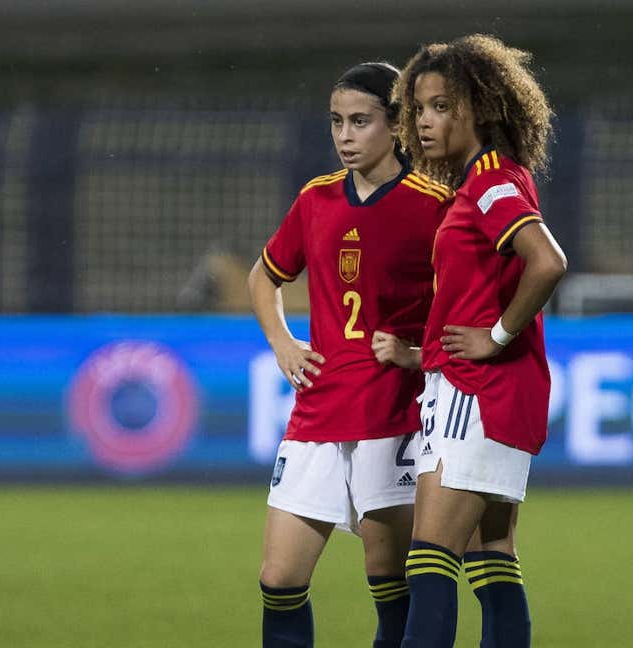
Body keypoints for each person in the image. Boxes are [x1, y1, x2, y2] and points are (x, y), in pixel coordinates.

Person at [248, 61, 450, 648]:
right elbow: (264, 277)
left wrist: (417, 352)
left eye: (360, 121)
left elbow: (471, 302)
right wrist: (284, 344)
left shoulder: (432, 204)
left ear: (396, 125)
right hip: (318, 411)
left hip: (393, 413)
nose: (344, 135)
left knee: (389, 584)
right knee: (278, 578)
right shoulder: (315, 199)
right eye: (336, 121)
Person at [391, 35, 567, 648]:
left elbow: (546, 260)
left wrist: (495, 336)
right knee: (491, 557)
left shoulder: (491, 178)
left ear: (482, 107)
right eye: (419, 108)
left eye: (442, 105)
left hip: (479, 391)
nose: (425, 121)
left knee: (429, 555)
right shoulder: (484, 181)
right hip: (485, 388)